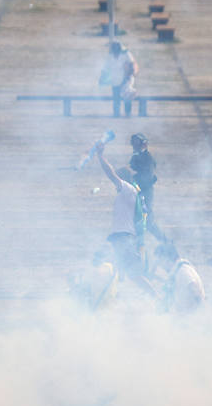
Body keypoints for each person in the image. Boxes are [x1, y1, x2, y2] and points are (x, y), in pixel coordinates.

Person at [86, 137, 157, 295]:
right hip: (122, 237)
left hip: (123, 237)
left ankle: (157, 298)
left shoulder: (126, 188)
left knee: (128, 273)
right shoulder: (132, 191)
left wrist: (100, 156)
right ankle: (109, 298)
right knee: (121, 271)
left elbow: (110, 173)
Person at [154, 242, 205, 313]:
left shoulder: (183, 271)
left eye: (160, 260)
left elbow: (195, 290)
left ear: (166, 258)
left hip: (191, 317)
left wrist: (200, 315)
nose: (160, 265)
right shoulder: (178, 271)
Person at [100, 41, 138, 117]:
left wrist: (128, 76)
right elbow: (105, 68)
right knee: (116, 97)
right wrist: (102, 78)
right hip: (115, 79)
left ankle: (128, 113)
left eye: (116, 50)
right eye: (114, 50)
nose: (115, 52)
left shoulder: (126, 54)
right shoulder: (110, 56)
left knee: (127, 96)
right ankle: (116, 113)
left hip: (126, 78)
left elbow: (132, 64)